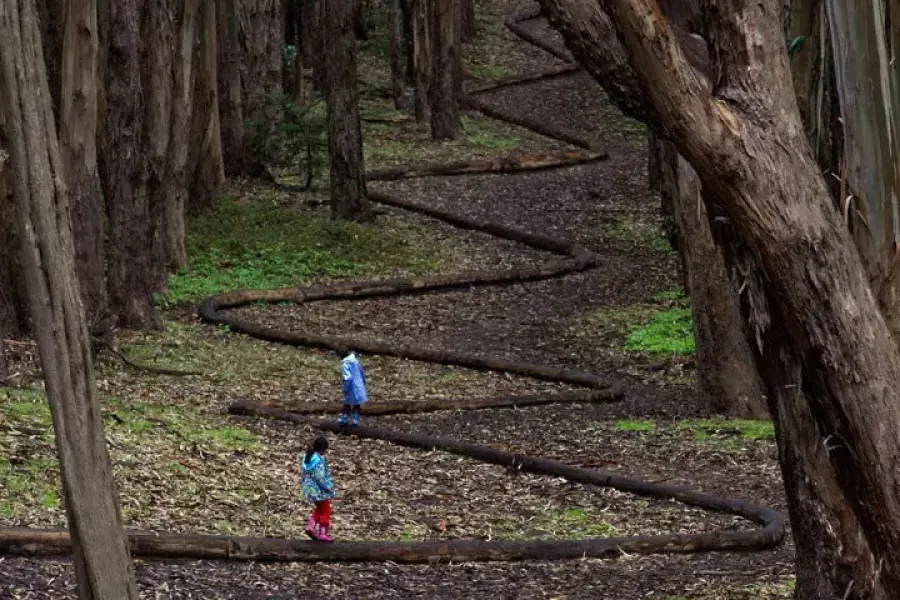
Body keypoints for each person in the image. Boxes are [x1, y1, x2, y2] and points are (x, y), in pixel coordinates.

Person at [301, 436, 335, 542]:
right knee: (326, 510)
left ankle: (310, 527)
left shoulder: (308, 457)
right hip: (318, 489)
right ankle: (323, 533)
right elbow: (319, 476)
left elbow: (303, 474)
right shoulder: (318, 460)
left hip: (309, 488)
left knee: (320, 508)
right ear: (322, 449)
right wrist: (327, 487)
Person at [336, 349, 368, 426]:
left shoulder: (345, 364)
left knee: (346, 403)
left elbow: (347, 378)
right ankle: (355, 419)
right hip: (359, 385)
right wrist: (363, 382)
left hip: (351, 387)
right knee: (357, 403)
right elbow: (361, 372)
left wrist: (345, 388)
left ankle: (345, 418)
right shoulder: (355, 361)